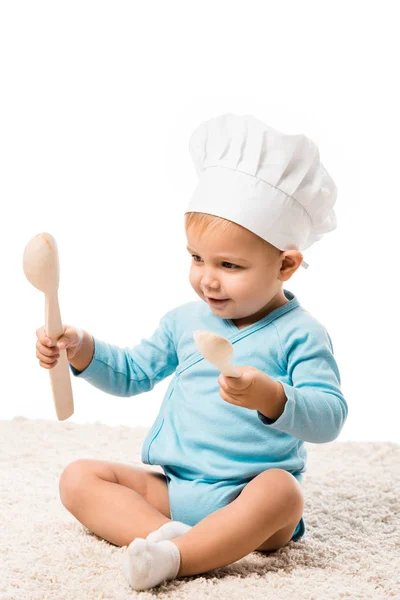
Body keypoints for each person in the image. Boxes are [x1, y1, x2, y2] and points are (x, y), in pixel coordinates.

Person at [35, 113, 348, 591]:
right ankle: (175, 543)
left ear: (285, 264)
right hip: (176, 487)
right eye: (196, 258)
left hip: (251, 498)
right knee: (78, 478)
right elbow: (131, 372)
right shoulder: (185, 320)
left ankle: (179, 557)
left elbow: (329, 417)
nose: (208, 277)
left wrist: (271, 396)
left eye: (229, 264)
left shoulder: (301, 334)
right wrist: (81, 349)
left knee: (283, 493)